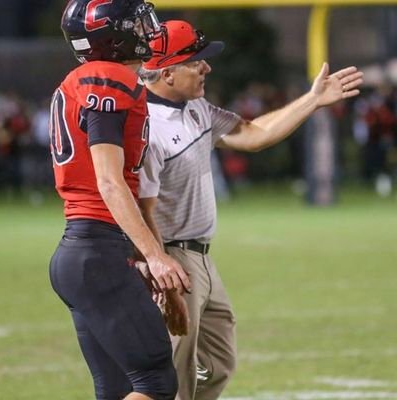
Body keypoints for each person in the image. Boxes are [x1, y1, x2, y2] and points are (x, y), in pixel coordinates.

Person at [137, 20, 364, 400]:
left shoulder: (194, 107)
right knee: (173, 375)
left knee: (220, 365)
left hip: (203, 257)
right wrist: (159, 264)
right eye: (196, 62)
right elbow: (142, 208)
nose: (206, 67)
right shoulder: (144, 126)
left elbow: (253, 134)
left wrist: (313, 100)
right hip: (172, 257)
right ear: (167, 73)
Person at [48, 2, 191, 400]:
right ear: (113, 35)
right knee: (156, 383)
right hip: (97, 251)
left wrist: (144, 256)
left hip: (85, 250)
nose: (149, 30)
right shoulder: (107, 76)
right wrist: (156, 256)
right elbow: (109, 182)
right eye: (139, 23)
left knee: (117, 389)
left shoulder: (82, 79)